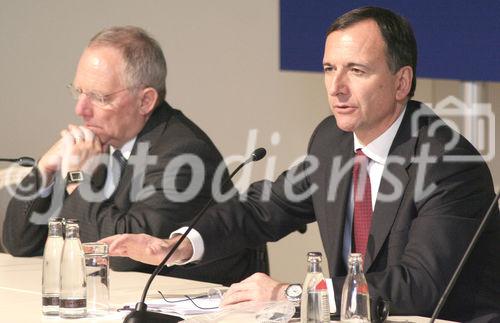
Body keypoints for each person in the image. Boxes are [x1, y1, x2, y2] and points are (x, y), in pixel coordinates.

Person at [100, 8, 500, 321]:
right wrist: (181, 243)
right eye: (329, 69)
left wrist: (292, 294)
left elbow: (418, 289)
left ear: (401, 83)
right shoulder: (334, 140)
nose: (336, 87)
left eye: (356, 70)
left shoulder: (448, 162)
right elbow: (263, 209)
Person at [2, 26, 268, 286]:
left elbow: (125, 257)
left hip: (188, 309)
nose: (81, 108)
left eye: (99, 97)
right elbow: (20, 243)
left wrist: (77, 180)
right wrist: (44, 171)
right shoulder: (97, 142)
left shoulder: (184, 155)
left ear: (145, 101)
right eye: (79, 92)